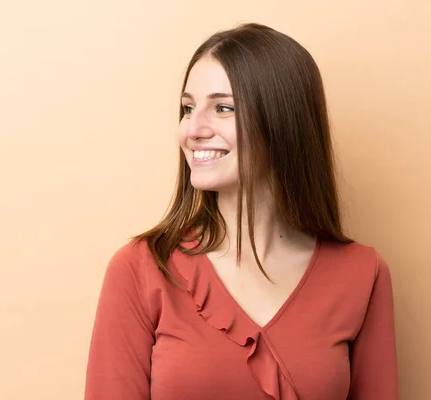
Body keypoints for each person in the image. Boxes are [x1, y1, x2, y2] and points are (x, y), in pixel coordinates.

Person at [84, 22, 398, 400]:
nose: (192, 129)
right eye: (187, 108)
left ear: (282, 121)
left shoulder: (363, 273)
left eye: (222, 107)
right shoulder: (141, 268)